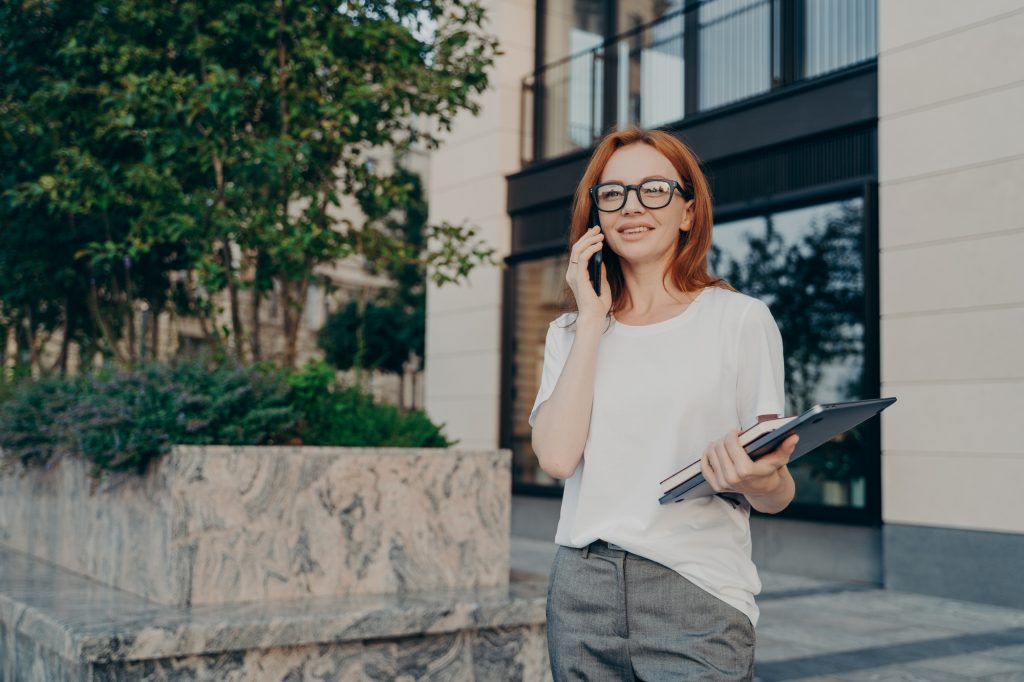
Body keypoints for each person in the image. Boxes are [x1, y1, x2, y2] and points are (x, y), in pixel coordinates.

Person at [529, 127, 800, 681]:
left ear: (688, 212)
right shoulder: (568, 333)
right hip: (581, 590)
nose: (632, 206)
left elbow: (777, 492)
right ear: (596, 216)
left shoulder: (738, 320)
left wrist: (756, 478)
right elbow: (557, 459)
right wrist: (591, 322)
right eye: (613, 194)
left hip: (696, 589)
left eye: (654, 189)